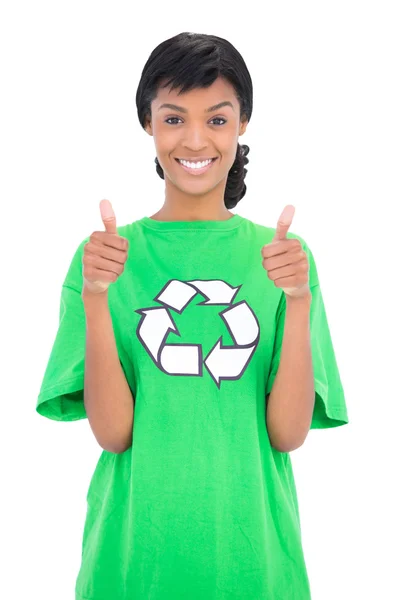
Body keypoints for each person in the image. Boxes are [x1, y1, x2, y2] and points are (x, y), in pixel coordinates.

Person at [36, 31, 349, 600]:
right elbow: (113, 434)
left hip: (254, 568)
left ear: (243, 124)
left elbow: (288, 433)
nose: (196, 139)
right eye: (174, 119)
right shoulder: (105, 259)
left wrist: (298, 302)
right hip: (131, 567)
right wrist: (96, 296)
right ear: (148, 125)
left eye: (218, 119)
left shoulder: (283, 260)